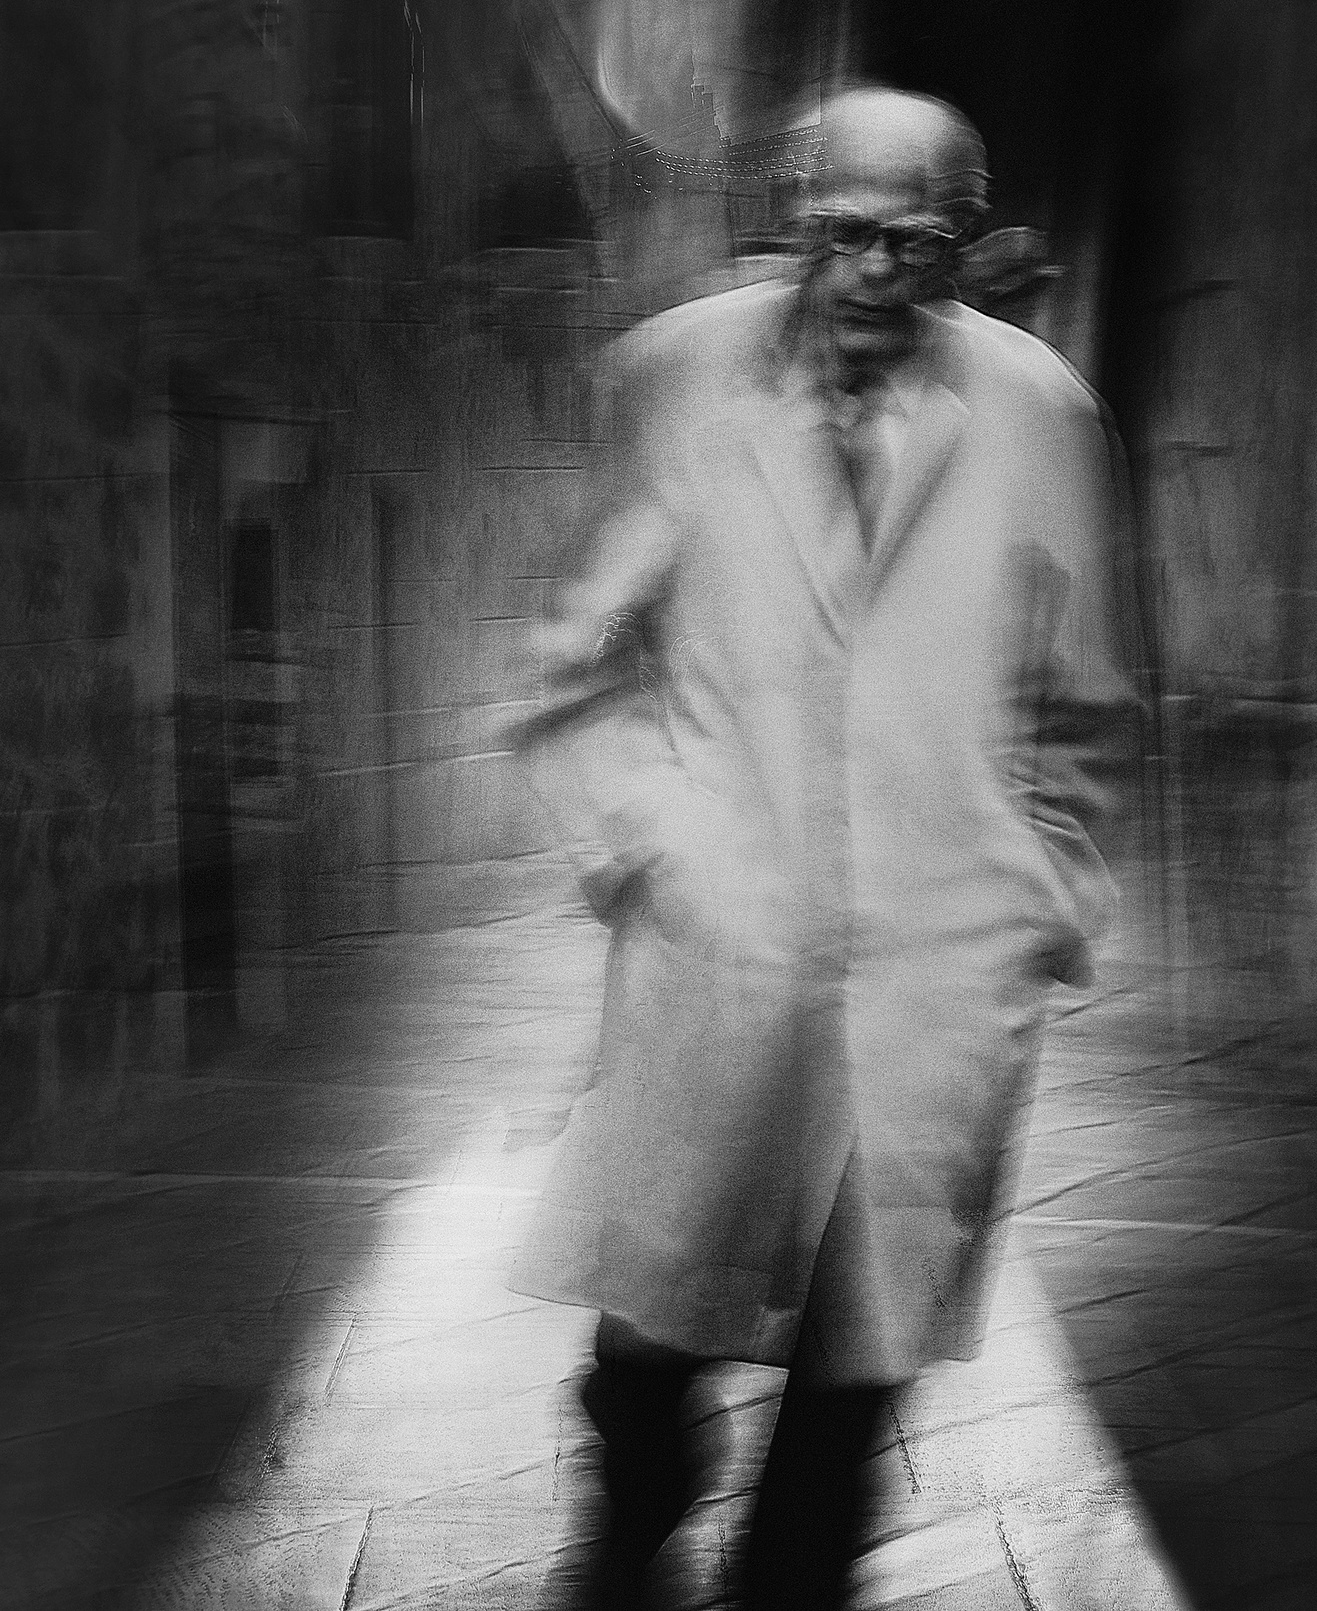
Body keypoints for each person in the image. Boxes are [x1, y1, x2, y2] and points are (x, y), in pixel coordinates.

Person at [511, 85, 1140, 1610]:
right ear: (791, 220)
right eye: (842, 233)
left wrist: (1037, 898)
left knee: (860, 1357)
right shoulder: (674, 377)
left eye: (915, 244)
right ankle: (633, 1524)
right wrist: (655, 845)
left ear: (964, 245)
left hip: (939, 966)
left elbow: (1088, 706)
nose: (871, 271)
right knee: (652, 1331)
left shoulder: (1042, 412)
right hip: (721, 938)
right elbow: (571, 665)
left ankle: (794, 1575)